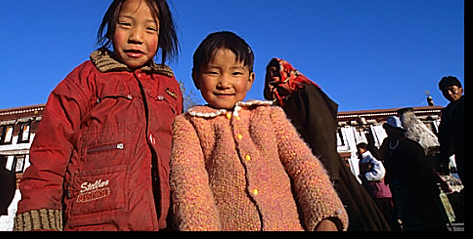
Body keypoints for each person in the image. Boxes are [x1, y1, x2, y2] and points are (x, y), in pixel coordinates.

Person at [14, 0, 183, 231]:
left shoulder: (168, 87)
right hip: (92, 219)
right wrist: (39, 214)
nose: (137, 36)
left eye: (150, 28)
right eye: (126, 25)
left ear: (162, 37)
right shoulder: (86, 79)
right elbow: (50, 149)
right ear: (110, 28)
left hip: (160, 222)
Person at [170, 31, 348, 231]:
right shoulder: (189, 124)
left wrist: (325, 213)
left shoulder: (269, 116)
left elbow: (303, 165)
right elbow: (189, 184)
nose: (224, 83)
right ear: (196, 78)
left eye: (235, 73)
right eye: (213, 72)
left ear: (250, 80)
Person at [263, 58, 391, 231]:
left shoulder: (306, 92)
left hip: (324, 166)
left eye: (274, 72)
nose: (271, 78)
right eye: (268, 74)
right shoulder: (278, 106)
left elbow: (321, 131)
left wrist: (327, 175)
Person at [379, 115, 448, 231]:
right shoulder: (388, 145)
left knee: (420, 215)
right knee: (407, 215)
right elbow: (381, 156)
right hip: (398, 186)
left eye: (389, 129)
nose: (387, 131)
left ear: (396, 130)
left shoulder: (410, 146)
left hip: (415, 186)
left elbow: (424, 166)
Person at [356, 142, 401, 231]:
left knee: (387, 216)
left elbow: (380, 172)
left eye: (359, 149)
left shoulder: (372, 158)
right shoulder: (363, 160)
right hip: (373, 192)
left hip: (380, 192)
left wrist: (366, 176)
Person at [437, 76, 465, 185]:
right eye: (445, 91)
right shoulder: (447, 112)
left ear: (461, 89)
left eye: (452, 90)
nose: (449, 94)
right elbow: (444, 135)